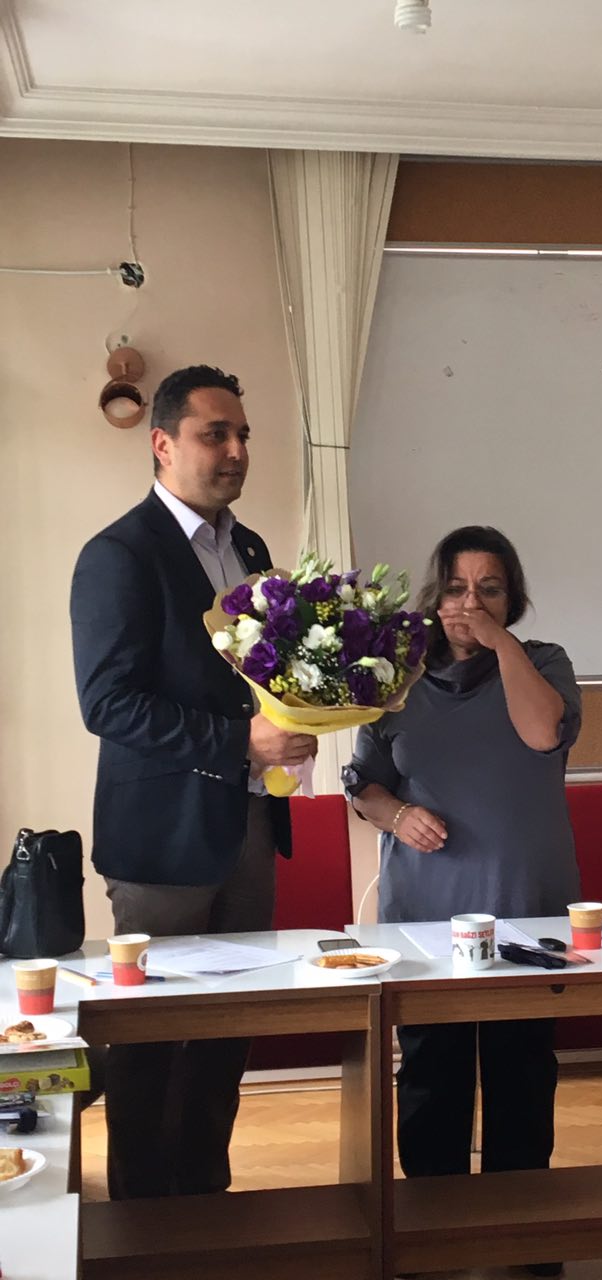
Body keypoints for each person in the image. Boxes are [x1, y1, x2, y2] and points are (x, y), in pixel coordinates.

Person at [70, 364, 316, 1199]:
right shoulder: (118, 555)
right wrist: (239, 739)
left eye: (242, 434)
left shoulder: (250, 551)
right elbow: (107, 704)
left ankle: (206, 1202)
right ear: (164, 444)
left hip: (249, 824)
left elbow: (262, 679)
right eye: (216, 434)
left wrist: (298, 724)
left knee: (226, 1034)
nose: (236, 449)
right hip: (162, 840)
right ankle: (144, 1220)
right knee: (150, 1039)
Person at [343, 527, 580, 1257]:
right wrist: (397, 815)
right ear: (433, 595)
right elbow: (364, 784)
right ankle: (430, 1231)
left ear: (513, 600)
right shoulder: (398, 677)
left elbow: (541, 735)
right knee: (431, 1075)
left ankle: (521, 1231)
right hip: (424, 911)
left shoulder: (544, 662)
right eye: (455, 587)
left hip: (525, 904)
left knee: (521, 1071)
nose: (469, 602)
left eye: (489, 589)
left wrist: (499, 643)